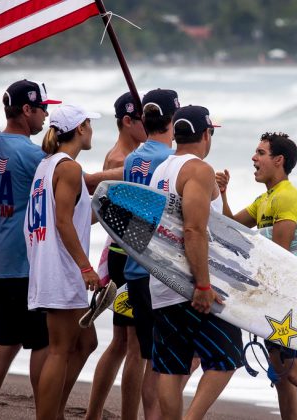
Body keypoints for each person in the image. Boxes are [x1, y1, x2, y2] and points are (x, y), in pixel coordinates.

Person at [217, 132, 297, 420]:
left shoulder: (287, 198)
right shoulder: (265, 199)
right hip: (276, 297)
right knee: (281, 374)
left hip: (292, 297)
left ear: (278, 160)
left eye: (260, 153)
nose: (254, 158)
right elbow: (232, 227)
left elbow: (281, 255)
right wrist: (222, 194)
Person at [0, 79, 58, 420]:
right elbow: (65, 188)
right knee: (42, 342)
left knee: (6, 339)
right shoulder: (35, 156)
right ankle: (43, 412)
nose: (46, 116)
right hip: (23, 263)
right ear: (26, 110)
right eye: (42, 109)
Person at [149, 105, 244, 419]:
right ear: (206, 134)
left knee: (171, 369)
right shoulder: (198, 170)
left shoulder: (162, 168)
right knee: (227, 357)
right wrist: (203, 285)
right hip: (192, 284)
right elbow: (193, 228)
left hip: (162, 279)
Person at [25, 104, 101, 420]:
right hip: (62, 268)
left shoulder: (47, 165)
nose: (92, 130)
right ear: (80, 129)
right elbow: (63, 222)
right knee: (59, 349)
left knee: (86, 341)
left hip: (49, 264)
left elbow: (77, 218)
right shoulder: (68, 168)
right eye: (89, 124)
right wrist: (85, 266)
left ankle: (54, 411)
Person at [85, 92, 147, 420]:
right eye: (142, 120)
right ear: (127, 121)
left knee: (121, 343)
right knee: (132, 346)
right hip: (126, 257)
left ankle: (93, 414)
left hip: (122, 254)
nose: (148, 126)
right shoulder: (120, 160)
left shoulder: (132, 155)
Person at [121, 88, 180, 419]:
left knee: (149, 357)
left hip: (134, 261)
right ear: (173, 120)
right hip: (157, 269)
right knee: (162, 361)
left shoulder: (133, 158)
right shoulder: (168, 162)